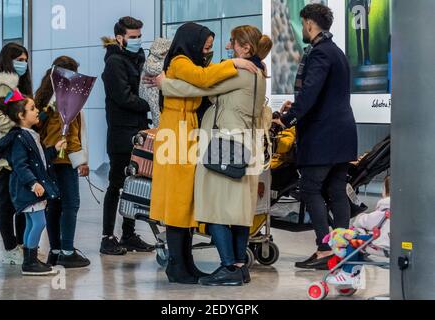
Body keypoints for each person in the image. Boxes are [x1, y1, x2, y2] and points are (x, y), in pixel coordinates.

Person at [158, 25, 272, 286]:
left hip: (226, 145)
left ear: (246, 48)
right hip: (246, 144)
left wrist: (165, 84)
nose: (227, 47)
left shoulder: (242, 72)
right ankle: (240, 267)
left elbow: (200, 87)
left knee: (215, 209)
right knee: (240, 211)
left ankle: (228, 266)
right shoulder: (259, 73)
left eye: (233, 42)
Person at [273, 4, 358, 270]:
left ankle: (324, 249)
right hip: (342, 133)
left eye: (303, 25)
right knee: (336, 191)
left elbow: (310, 93)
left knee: (310, 189)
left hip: (323, 135)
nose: (302, 30)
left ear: (309, 23)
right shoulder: (336, 52)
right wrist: (295, 105)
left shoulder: (320, 53)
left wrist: (284, 119)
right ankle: (340, 249)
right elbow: (324, 94)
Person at [0, 90, 65, 275]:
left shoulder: (30, 135)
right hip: (28, 190)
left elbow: (38, 161)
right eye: (32, 108)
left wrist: (54, 150)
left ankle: (28, 259)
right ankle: (30, 262)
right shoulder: (19, 138)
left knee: (33, 223)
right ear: (21, 116)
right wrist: (33, 184)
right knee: (39, 223)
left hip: (31, 188)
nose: (37, 111)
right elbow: (20, 165)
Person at [101, 16, 154, 255]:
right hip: (122, 134)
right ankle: (107, 237)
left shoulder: (140, 57)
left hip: (140, 131)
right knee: (116, 185)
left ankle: (129, 233)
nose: (138, 40)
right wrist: (151, 104)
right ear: (120, 38)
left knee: (134, 185)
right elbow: (123, 97)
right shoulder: (114, 62)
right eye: (133, 37)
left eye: (139, 35)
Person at [35, 56, 91, 268]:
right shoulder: (66, 100)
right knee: (70, 204)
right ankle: (67, 252)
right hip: (64, 160)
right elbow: (70, 136)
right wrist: (81, 161)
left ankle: (55, 251)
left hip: (47, 159)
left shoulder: (44, 97)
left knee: (54, 206)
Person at [0, 42, 32, 265]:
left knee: (23, 202)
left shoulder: (19, 86)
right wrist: (23, 124)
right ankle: (10, 248)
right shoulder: (0, 87)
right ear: (7, 60)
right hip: (6, 154)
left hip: (21, 152)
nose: (23, 64)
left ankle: (22, 244)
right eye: (19, 60)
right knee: (7, 203)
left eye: (25, 60)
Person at [326, 176, 390, 287]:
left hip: (382, 246)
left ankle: (348, 273)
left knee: (353, 242)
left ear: (385, 191)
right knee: (362, 242)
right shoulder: (405, 209)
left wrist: (359, 219)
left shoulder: (386, 208)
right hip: (398, 246)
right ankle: (355, 274)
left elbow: (364, 221)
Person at [348, 0, 372, 66]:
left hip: (363, 4)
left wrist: (369, 5)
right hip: (356, 4)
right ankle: (360, 59)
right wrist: (351, 6)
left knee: (365, 33)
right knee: (358, 34)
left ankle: (366, 58)